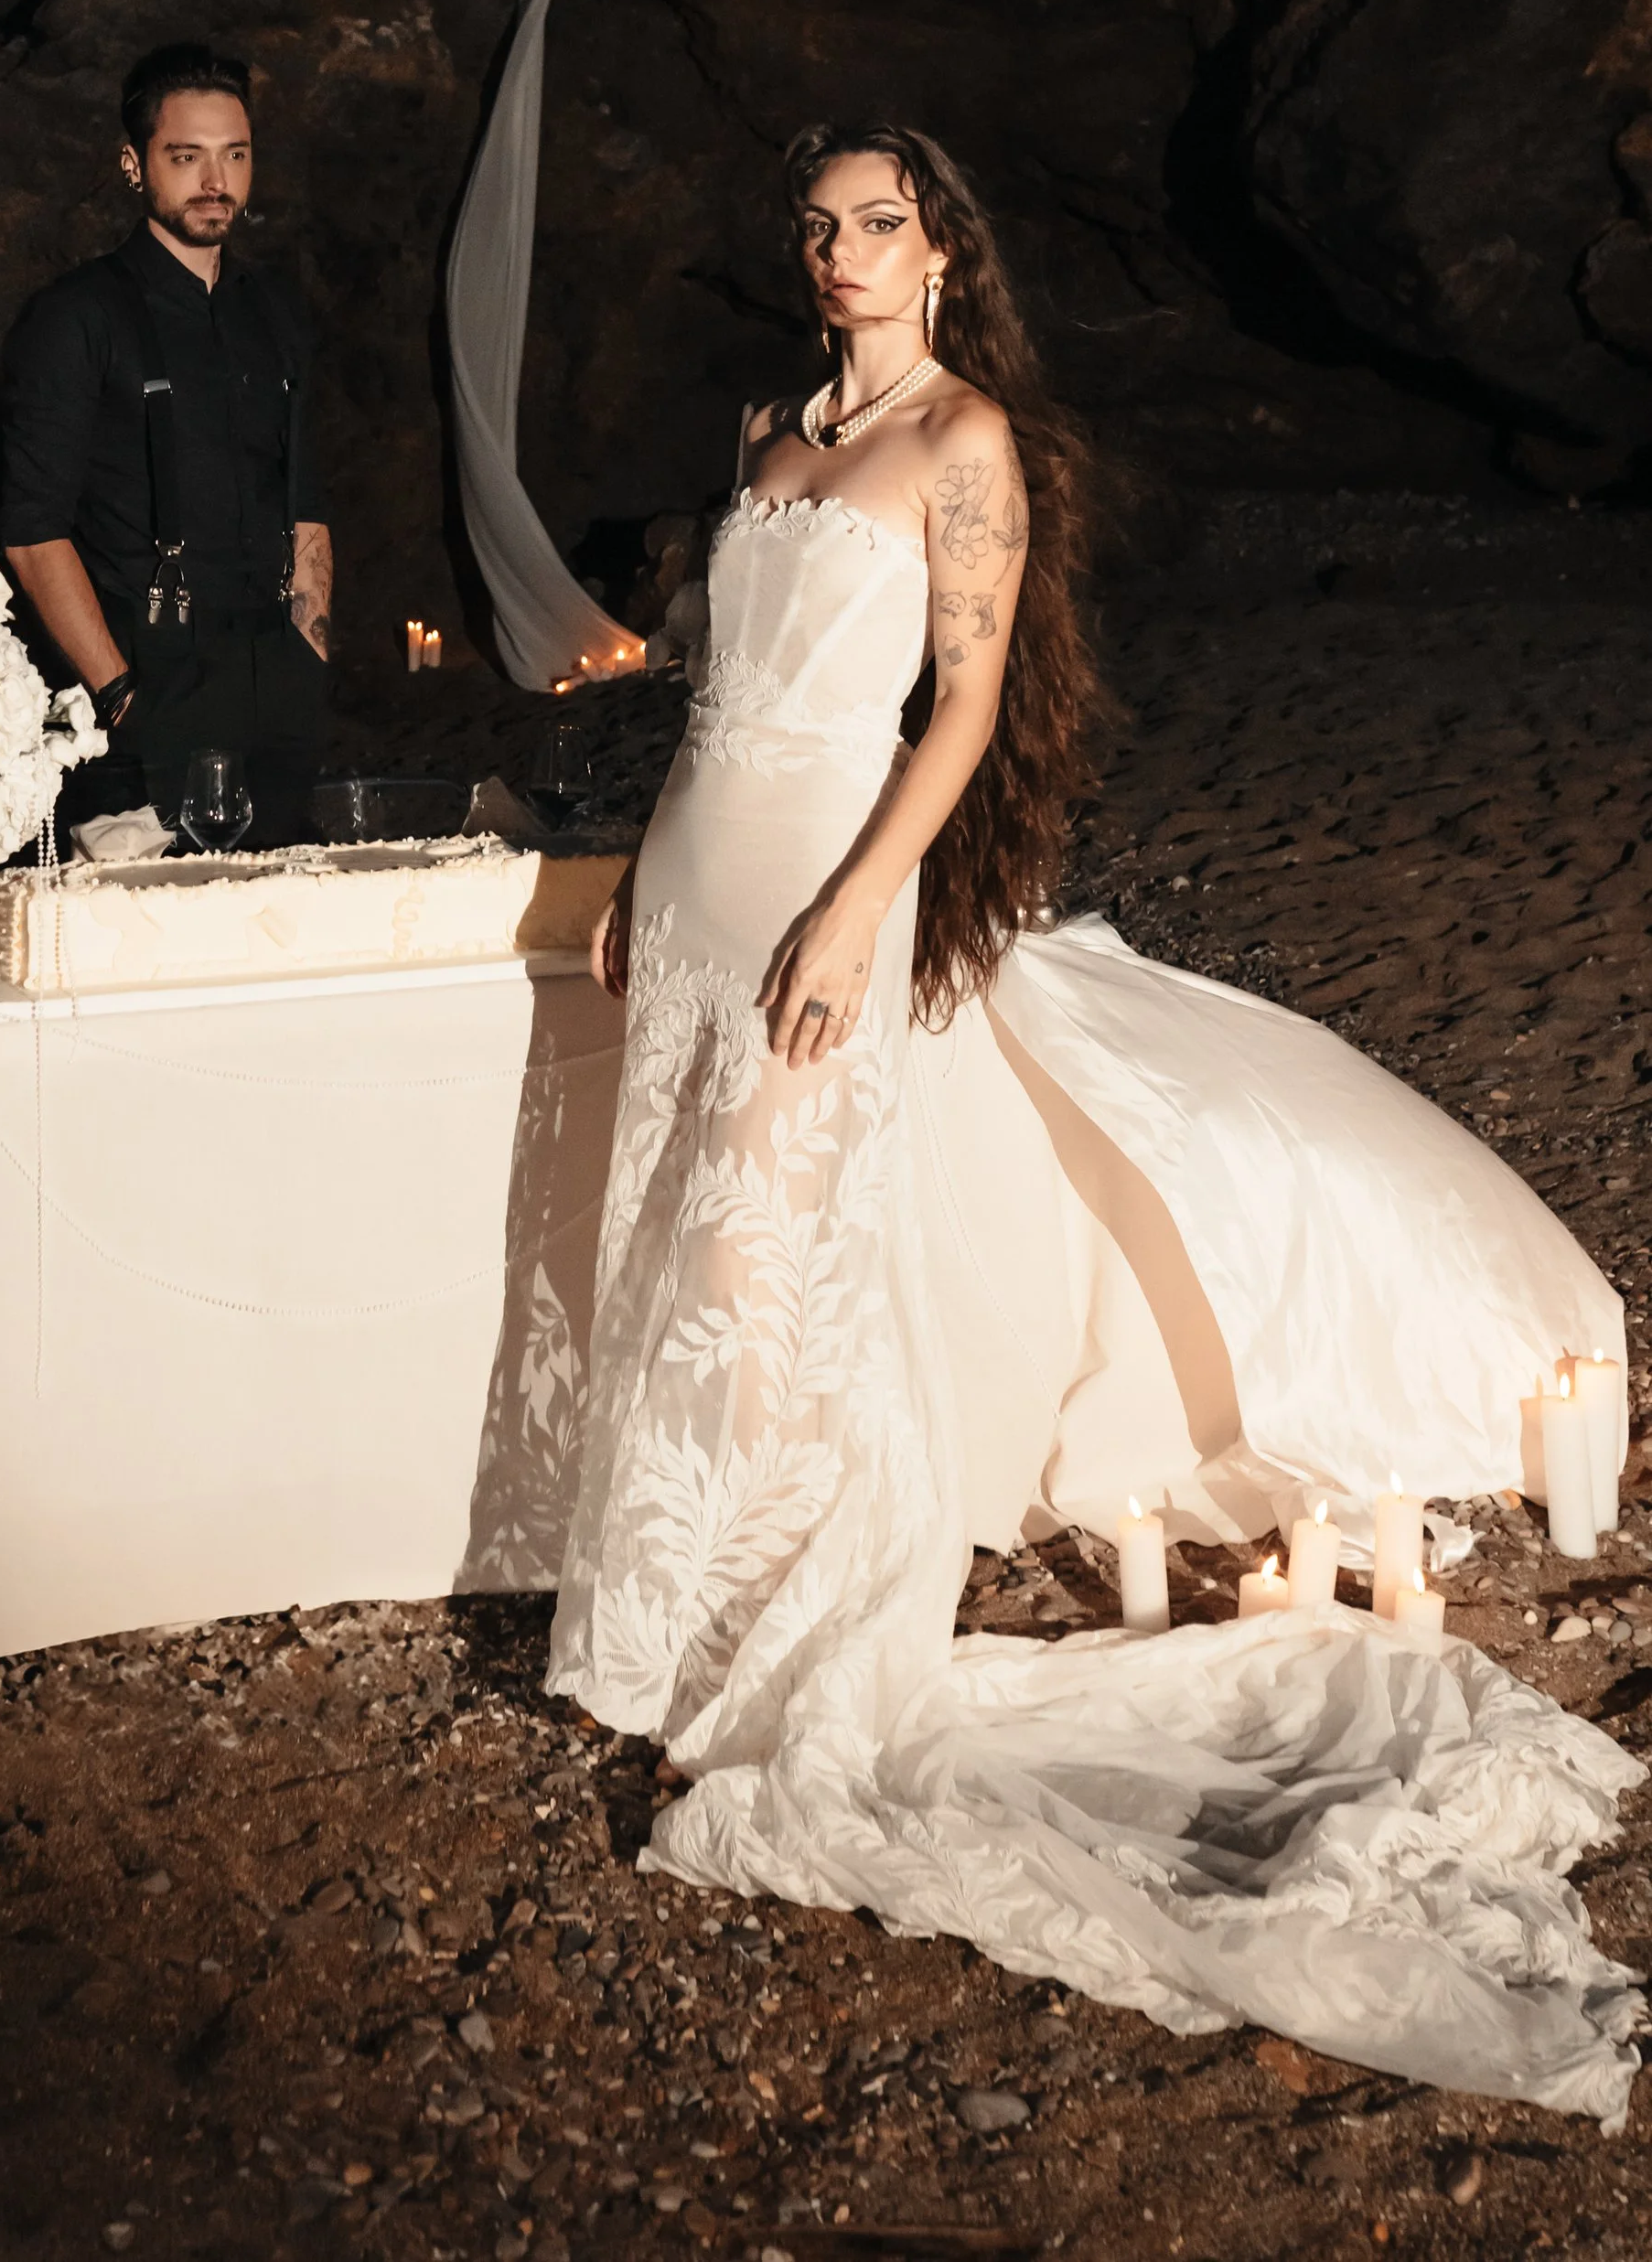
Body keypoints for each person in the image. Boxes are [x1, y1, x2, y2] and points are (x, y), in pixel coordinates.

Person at [547, 118, 1643, 2124]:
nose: (840, 251)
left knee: (768, 1252)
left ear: (941, 250)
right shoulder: (765, 427)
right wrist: (637, 870)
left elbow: (953, 711)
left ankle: (803, 1654)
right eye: (814, 225)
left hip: (820, 888)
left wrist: (851, 911)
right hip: (698, 872)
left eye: (876, 223)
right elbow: (711, 696)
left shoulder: (959, 444)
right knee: (679, 1243)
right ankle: (688, 1628)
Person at [0, 40, 330, 845]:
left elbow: (308, 508)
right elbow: (32, 534)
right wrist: (119, 695)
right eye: (187, 156)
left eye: (234, 156)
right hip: (150, 685)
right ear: (134, 164)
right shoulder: (78, 317)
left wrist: (312, 660)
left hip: (279, 687)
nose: (215, 182)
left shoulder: (277, 313)